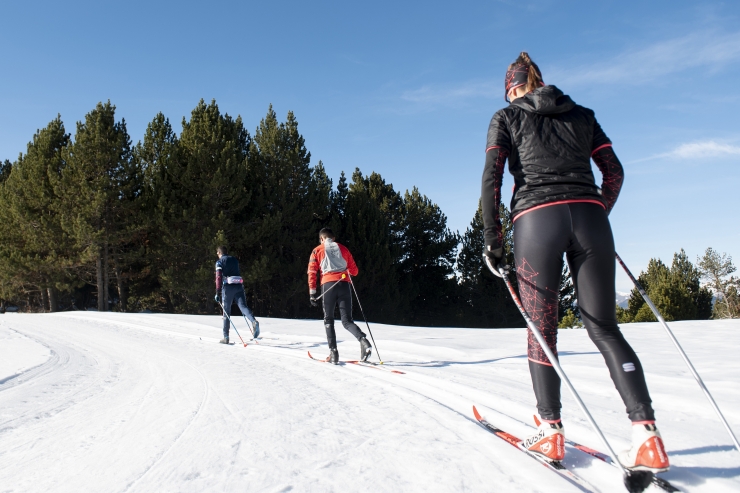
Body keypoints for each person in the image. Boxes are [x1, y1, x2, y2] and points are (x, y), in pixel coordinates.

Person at [481, 52, 669, 473]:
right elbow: (614, 172)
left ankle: (551, 430)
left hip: (535, 220)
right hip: (590, 217)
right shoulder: (583, 114)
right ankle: (646, 434)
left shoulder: (506, 116)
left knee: (541, 329)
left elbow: (493, 175)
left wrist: (492, 239)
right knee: (603, 325)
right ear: (541, 81)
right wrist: (597, 208)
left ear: (513, 88)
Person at [307, 228, 372, 364]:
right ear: (333, 238)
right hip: (344, 286)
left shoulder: (317, 250)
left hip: (328, 286)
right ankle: (363, 341)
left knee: (328, 320)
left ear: (322, 239)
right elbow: (354, 271)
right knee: (347, 321)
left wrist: (312, 293)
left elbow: (312, 271)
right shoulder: (344, 249)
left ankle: (333, 353)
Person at [215, 246, 259, 344]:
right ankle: (254, 321)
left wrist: (217, 291)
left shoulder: (219, 262)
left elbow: (218, 277)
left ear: (219, 252)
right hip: (239, 286)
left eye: (217, 253)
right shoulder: (234, 260)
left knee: (226, 311)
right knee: (243, 306)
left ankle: (226, 337)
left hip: (228, 287)